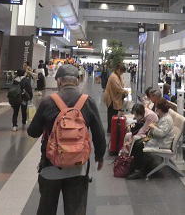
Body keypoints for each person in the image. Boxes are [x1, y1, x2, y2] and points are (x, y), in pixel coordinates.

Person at [27, 64, 105, 215]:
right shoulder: (87, 101)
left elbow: (33, 132)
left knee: (46, 209)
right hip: (78, 167)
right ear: (77, 80)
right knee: (75, 210)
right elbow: (99, 133)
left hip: (50, 166)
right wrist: (100, 156)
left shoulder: (48, 102)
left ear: (59, 81)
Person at [126, 98, 175, 180]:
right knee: (137, 142)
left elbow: (161, 134)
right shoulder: (164, 117)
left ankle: (139, 170)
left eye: (157, 109)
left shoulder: (166, 120)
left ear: (160, 109)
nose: (156, 110)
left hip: (161, 142)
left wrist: (153, 127)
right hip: (154, 138)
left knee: (139, 145)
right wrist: (153, 127)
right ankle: (135, 166)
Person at [102, 64, 127, 133]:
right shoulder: (113, 77)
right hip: (111, 98)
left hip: (114, 97)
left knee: (114, 113)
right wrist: (126, 91)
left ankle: (112, 127)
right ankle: (110, 129)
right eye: (121, 72)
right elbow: (118, 88)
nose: (122, 74)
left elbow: (121, 85)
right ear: (118, 70)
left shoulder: (117, 75)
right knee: (111, 113)